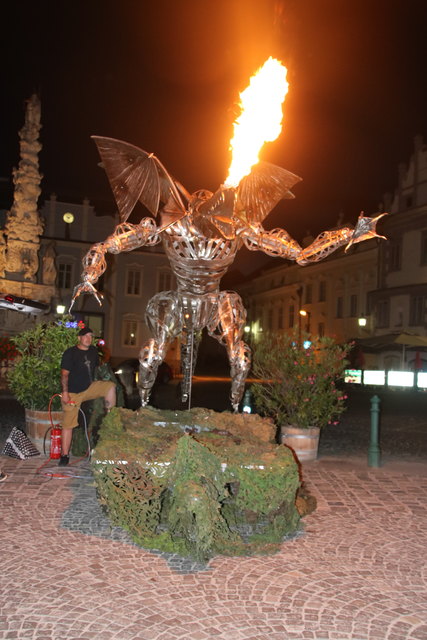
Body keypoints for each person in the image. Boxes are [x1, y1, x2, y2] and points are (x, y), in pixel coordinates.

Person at [59, 327, 116, 466]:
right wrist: (65, 393)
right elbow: (64, 375)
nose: (88, 338)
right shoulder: (70, 353)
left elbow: (96, 369)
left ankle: (111, 416)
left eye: (91, 336)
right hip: (72, 392)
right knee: (68, 424)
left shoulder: (93, 352)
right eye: (85, 336)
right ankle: (64, 455)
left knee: (110, 386)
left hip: (88, 388)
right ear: (79, 338)